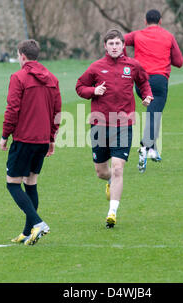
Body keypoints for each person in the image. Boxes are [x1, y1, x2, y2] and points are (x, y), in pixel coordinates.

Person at [76, 29, 153, 228]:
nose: (115, 47)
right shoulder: (96, 67)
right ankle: (109, 181)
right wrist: (94, 90)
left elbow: (144, 82)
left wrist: (146, 96)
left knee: (118, 169)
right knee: (102, 172)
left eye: (118, 44)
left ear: (123, 45)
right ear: (105, 46)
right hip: (99, 124)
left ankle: (112, 212)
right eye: (111, 44)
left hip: (124, 124)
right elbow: (80, 87)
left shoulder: (133, 65)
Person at [0, 39, 61, 246]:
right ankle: (28, 232)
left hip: (24, 139)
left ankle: (38, 223)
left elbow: (12, 108)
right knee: (30, 183)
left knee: (12, 184)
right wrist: (51, 138)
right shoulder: (52, 78)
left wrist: (4, 135)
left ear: (22, 56)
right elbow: (57, 112)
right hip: (42, 140)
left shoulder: (19, 77)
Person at [124, 9, 183, 173]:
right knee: (154, 114)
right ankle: (145, 146)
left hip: (140, 80)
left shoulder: (137, 35)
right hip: (158, 80)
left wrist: (125, 60)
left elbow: (119, 40)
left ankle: (153, 149)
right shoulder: (168, 36)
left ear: (145, 21)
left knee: (153, 112)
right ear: (160, 21)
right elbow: (179, 62)